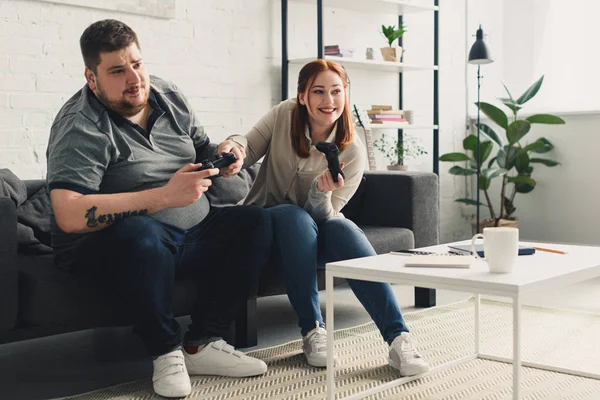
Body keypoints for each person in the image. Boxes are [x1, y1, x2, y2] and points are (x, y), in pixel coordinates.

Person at [46, 19, 273, 398]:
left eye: (137, 64)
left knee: (256, 222)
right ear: (92, 77)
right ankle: (165, 351)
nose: (134, 78)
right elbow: (68, 214)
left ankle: (203, 343)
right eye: (117, 71)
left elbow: (200, 146)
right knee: (142, 233)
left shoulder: (166, 93)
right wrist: (162, 197)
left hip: (187, 233)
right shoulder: (80, 125)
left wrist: (223, 156)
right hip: (112, 246)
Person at [226, 59, 430, 376]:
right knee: (292, 216)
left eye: (336, 91)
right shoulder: (284, 115)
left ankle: (399, 338)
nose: (329, 100)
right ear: (303, 96)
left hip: (308, 234)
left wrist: (320, 193)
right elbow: (248, 146)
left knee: (342, 229)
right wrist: (233, 146)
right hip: (262, 228)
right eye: (318, 91)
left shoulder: (352, 152)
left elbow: (323, 216)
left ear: (345, 94)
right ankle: (312, 330)